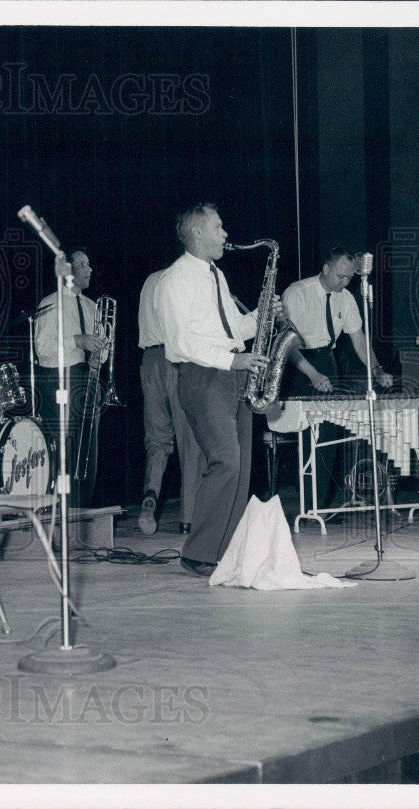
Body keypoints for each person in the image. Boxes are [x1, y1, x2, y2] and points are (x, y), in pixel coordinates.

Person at [155, 203, 282, 577]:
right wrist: (234, 362)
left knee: (240, 466)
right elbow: (178, 344)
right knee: (225, 459)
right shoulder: (175, 279)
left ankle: (225, 551)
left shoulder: (215, 274)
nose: (225, 234)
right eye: (219, 227)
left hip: (232, 374)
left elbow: (232, 330)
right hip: (204, 375)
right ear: (197, 233)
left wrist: (261, 317)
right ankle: (198, 551)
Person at [282, 248, 393, 508]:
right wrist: (313, 374)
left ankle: (321, 504)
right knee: (310, 435)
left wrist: (376, 369)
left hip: (327, 362)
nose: (345, 283)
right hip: (299, 363)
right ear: (325, 268)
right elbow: (287, 343)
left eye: (349, 278)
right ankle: (309, 504)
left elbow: (358, 338)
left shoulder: (346, 298)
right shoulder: (297, 292)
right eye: (340, 277)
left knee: (329, 435)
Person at [34, 249, 106, 510]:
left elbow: (102, 345)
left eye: (89, 264)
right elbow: (42, 348)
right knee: (64, 442)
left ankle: (82, 505)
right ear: (67, 270)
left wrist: (100, 354)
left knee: (88, 445)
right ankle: (59, 505)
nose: (89, 270)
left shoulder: (91, 306)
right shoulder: (50, 303)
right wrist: (77, 341)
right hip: (59, 379)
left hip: (86, 378)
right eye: (82, 265)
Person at [136, 267, 204, 536]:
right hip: (178, 361)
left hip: (150, 362)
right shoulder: (185, 279)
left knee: (157, 441)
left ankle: (150, 497)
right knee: (191, 441)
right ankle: (188, 519)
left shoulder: (150, 278)